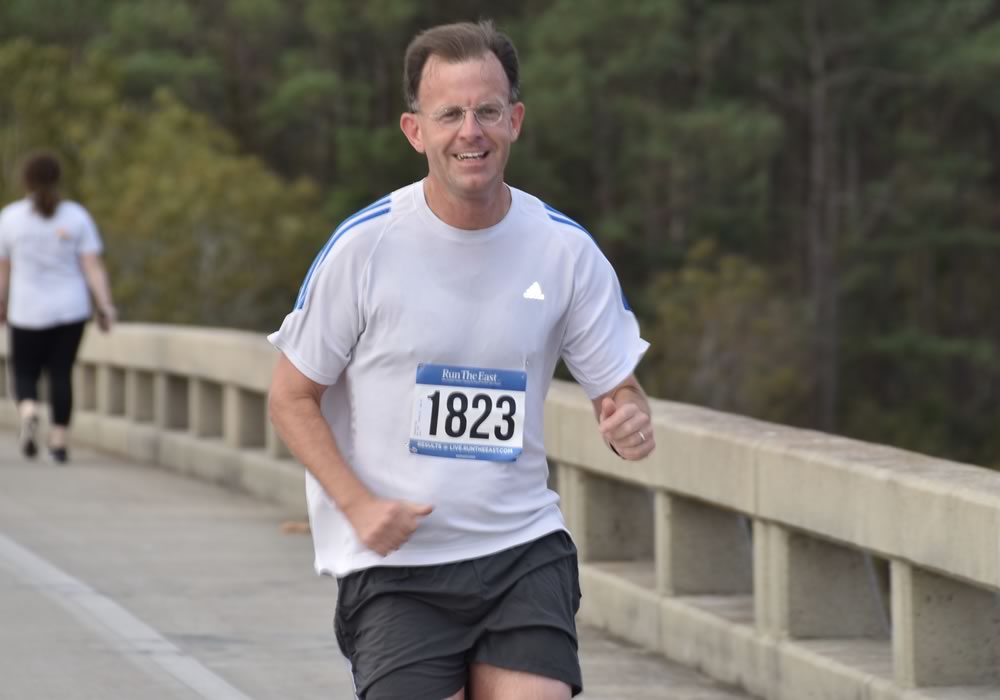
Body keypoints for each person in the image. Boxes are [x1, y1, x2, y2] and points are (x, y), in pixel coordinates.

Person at [268, 20, 655, 700]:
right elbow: (290, 395)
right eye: (449, 114)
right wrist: (358, 505)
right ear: (415, 131)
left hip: (522, 548)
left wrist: (629, 419)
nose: (470, 132)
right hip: (399, 567)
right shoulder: (365, 248)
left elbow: (617, 390)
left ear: (515, 121)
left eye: (488, 112)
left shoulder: (564, 249)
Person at [0, 151, 116, 464]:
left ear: (25, 180)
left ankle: (29, 411)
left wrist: (1, 303)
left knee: (25, 373)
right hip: (70, 310)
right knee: (61, 374)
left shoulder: (10, 218)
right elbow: (92, 266)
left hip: (26, 309)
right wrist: (105, 305)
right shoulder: (76, 216)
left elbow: (3, 271)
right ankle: (59, 442)